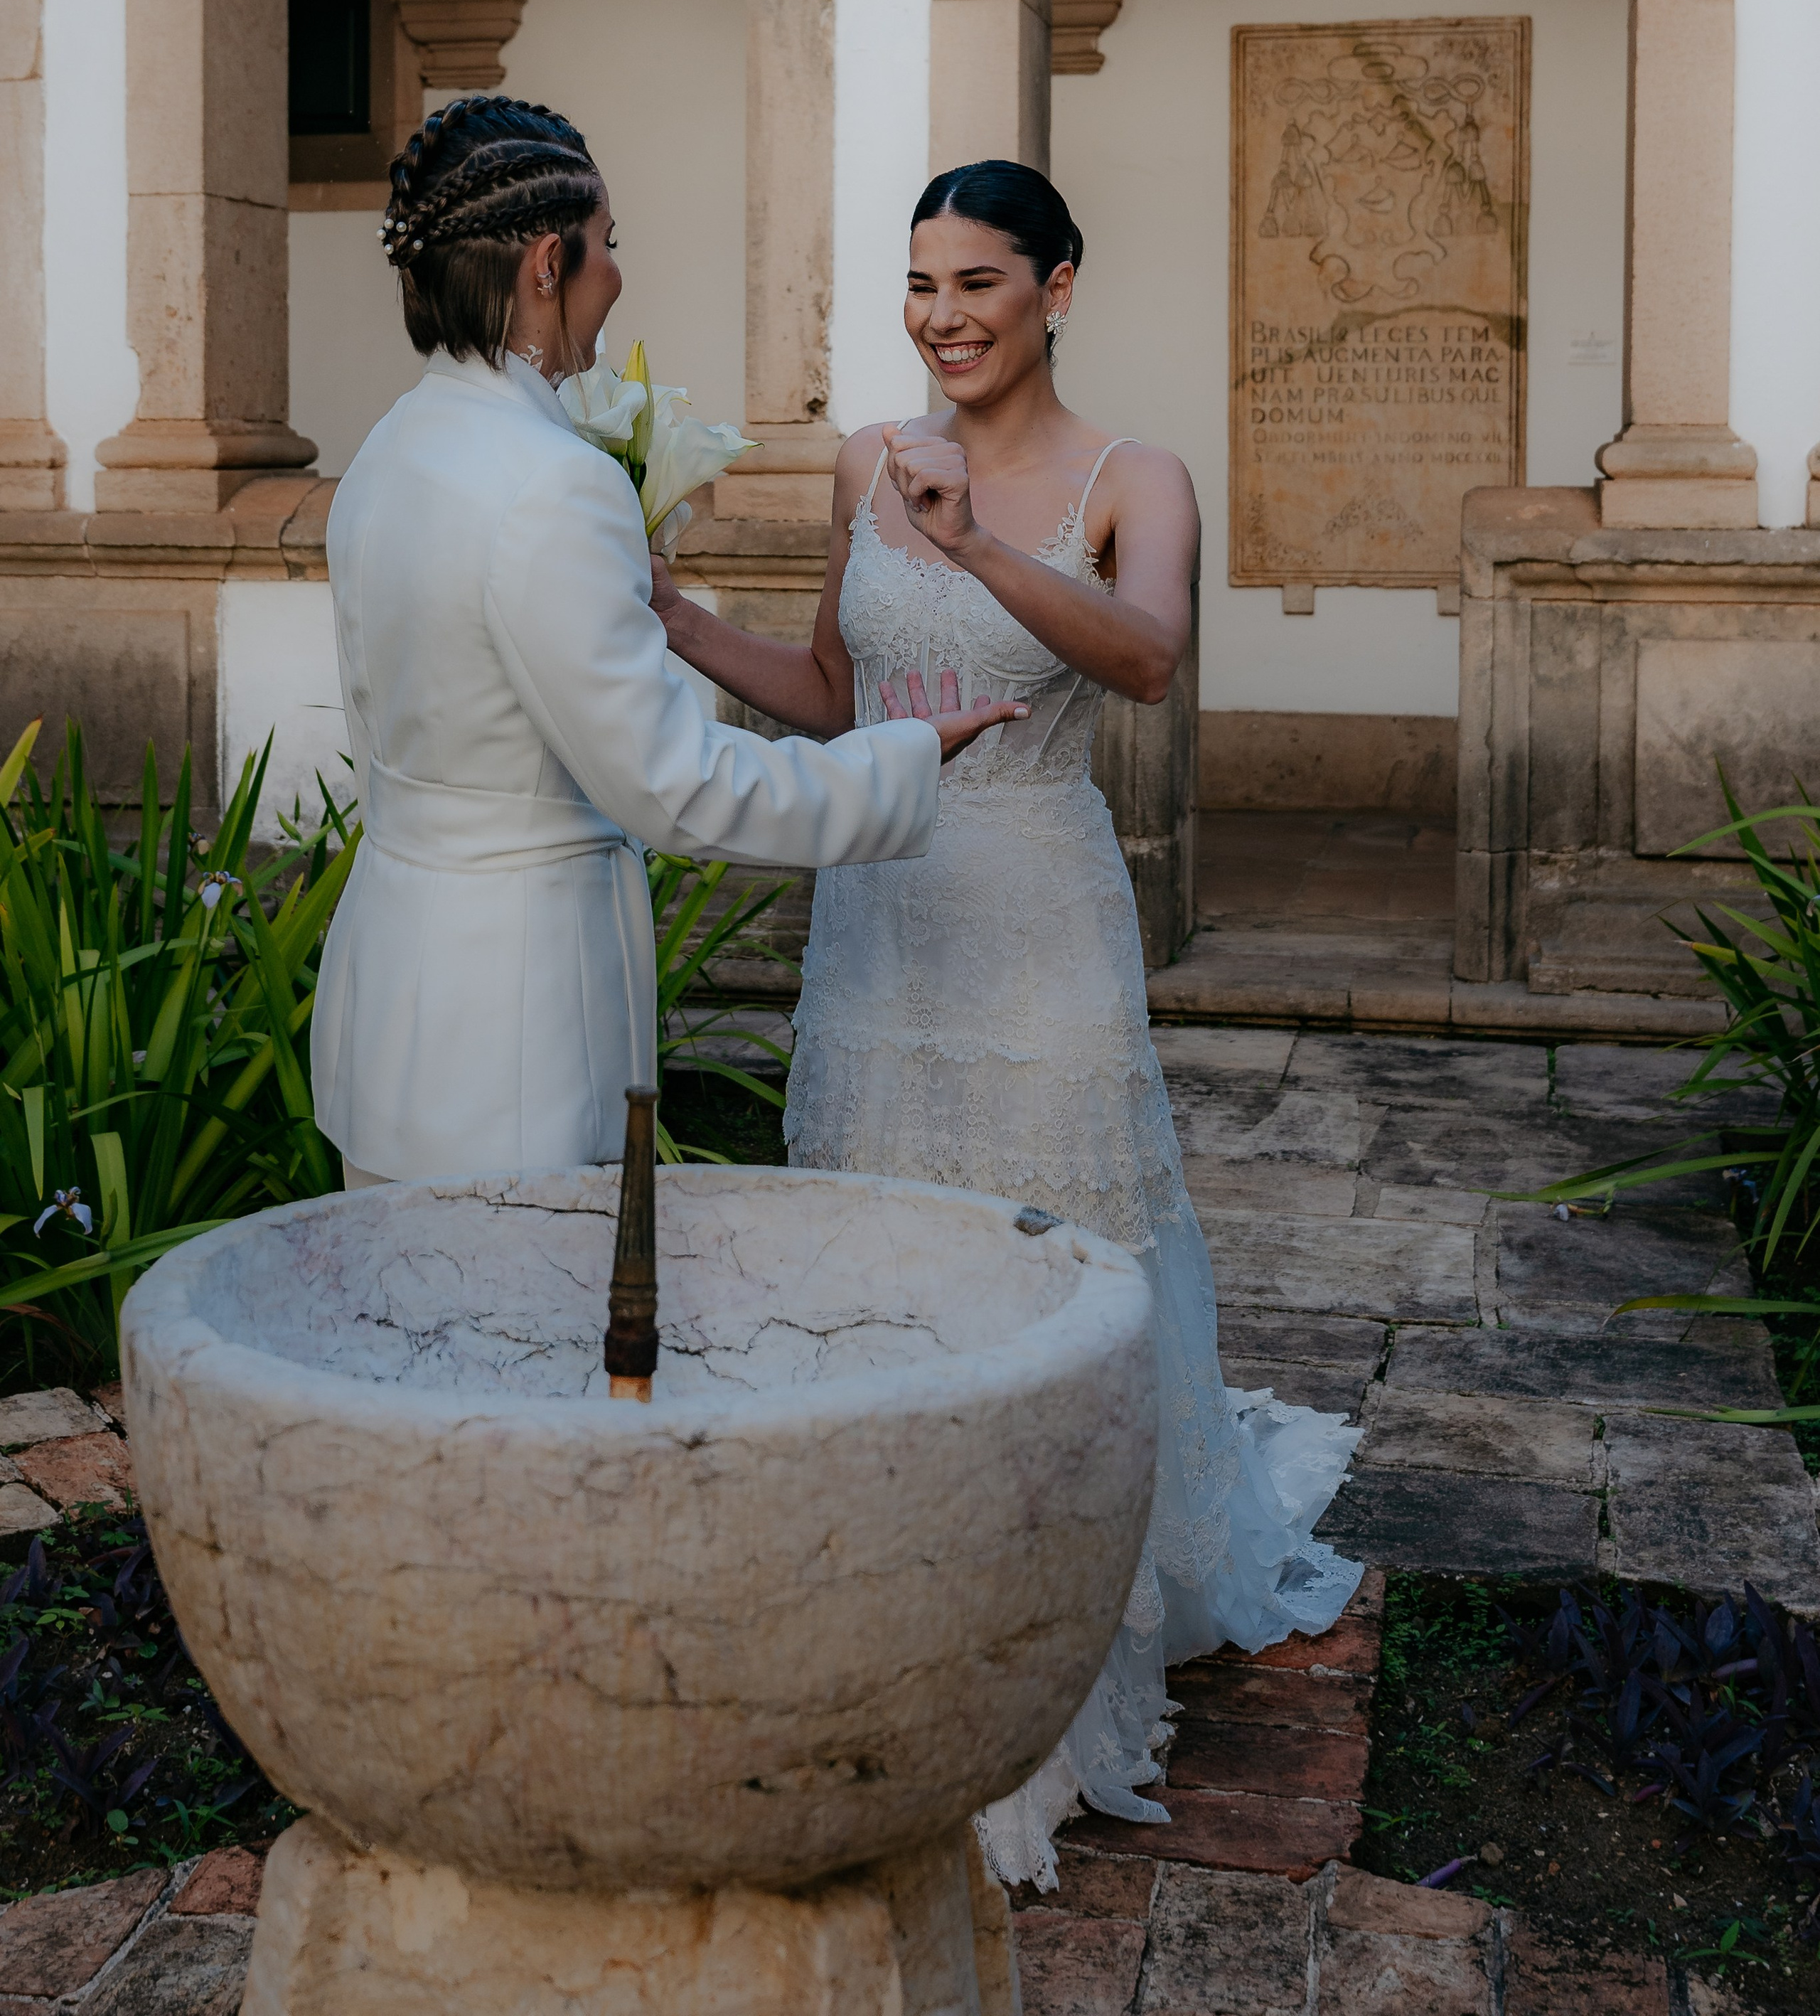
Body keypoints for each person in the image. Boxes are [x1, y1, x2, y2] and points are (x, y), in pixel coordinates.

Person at [649, 159, 1363, 1890]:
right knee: (881, 1268)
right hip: (881, 923)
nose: (941, 316)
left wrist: (971, 539)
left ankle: (1054, 1652)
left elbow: (1144, 659)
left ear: (1055, 284)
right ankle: (886, 1603)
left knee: (1057, 1270)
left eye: (975, 282)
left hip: (1039, 924)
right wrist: (669, 624)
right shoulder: (859, 465)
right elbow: (835, 698)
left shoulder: (1136, 477)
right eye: (918, 285)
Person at [311, 99, 1023, 1190]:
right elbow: (676, 787)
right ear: (549, 263)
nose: (619, 278)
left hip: (393, 999)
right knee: (524, 1336)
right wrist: (903, 758)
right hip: (516, 1025)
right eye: (611, 247)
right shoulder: (554, 485)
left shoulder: (388, 451)